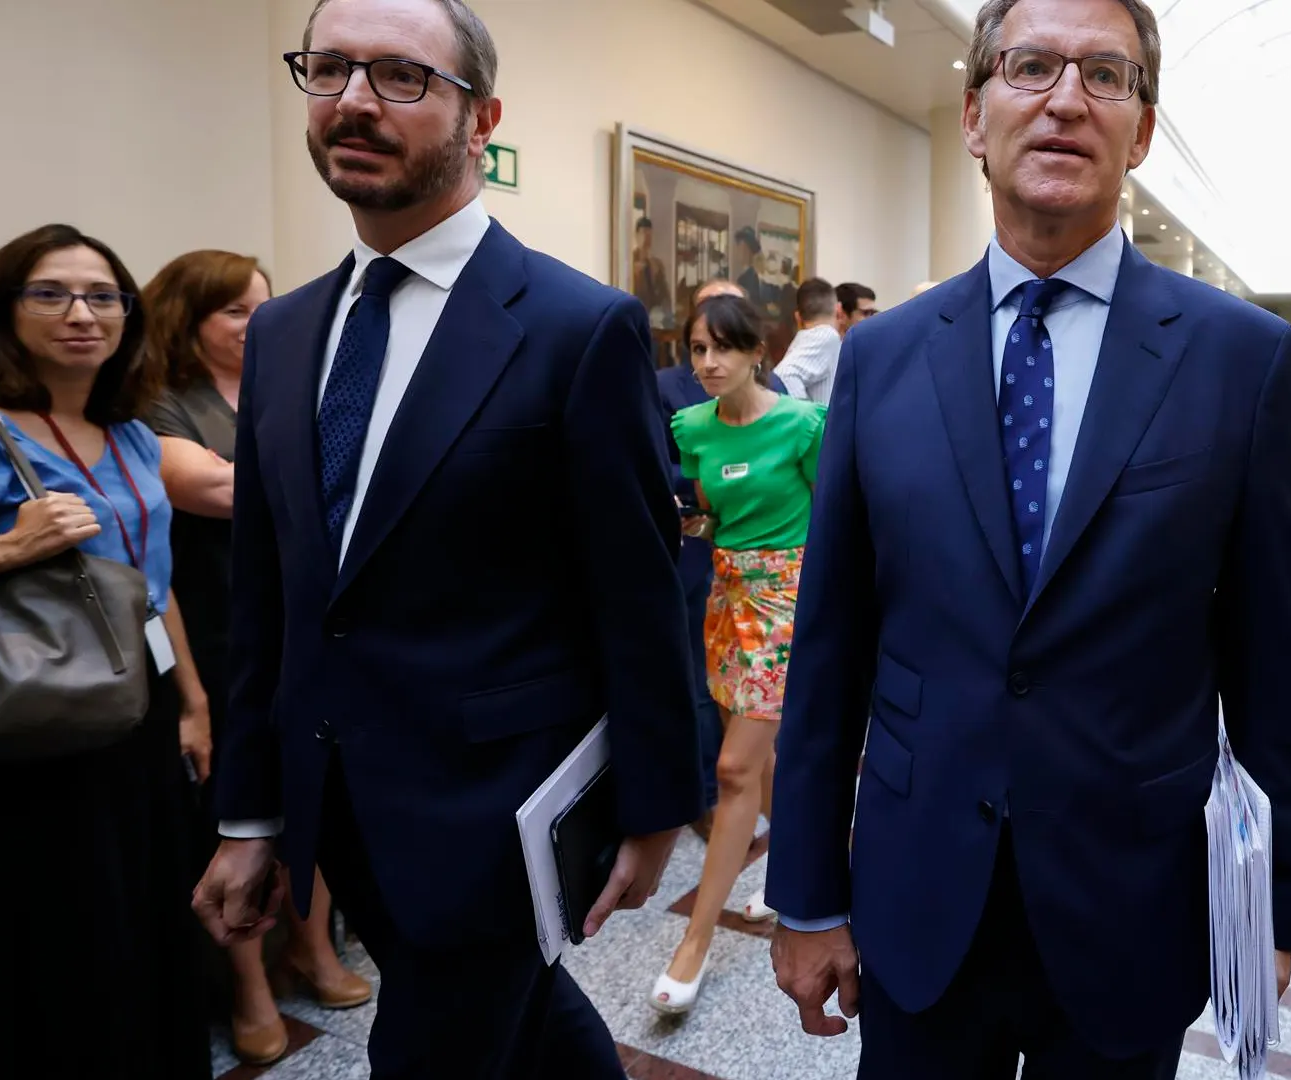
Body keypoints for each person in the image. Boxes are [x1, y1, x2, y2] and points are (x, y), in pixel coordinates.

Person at [767, 0, 1291, 1074]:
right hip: (919, 887)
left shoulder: (1238, 359)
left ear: (1143, 131)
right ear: (976, 116)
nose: (1067, 99)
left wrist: (1275, 907)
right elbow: (831, 646)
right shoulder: (882, 358)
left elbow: (1271, 661)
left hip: (1134, 896)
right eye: (1032, 68)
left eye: (1105, 76)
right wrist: (801, 890)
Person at [188, 2, 702, 1077]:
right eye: (328, 71)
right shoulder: (286, 332)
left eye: (402, 78)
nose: (356, 101)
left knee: (433, 1047)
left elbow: (636, 590)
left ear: (483, 119)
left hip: (497, 810)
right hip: (340, 803)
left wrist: (657, 807)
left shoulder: (576, 325)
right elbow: (271, 594)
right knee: (535, 1034)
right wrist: (251, 813)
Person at [0, 224, 212, 1078]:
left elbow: (152, 581)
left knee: (140, 916)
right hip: (18, 714)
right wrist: (7, 549)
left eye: (103, 296)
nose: (81, 314)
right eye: (50, 293)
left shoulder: (128, 433)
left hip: (137, 707)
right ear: (0, 309)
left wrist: (195, 704)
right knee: (44, 933)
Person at [140, 250, 372, 1065]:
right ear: (188, 320)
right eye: (235, 310)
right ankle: (249, 988)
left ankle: (314, 950)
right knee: (236, 811)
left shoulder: (290, 381)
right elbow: (204, 487)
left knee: (318, 784)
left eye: (261, 306)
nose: (256, 322)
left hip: (304, 622)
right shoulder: (161, 400)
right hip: (214, 629)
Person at [653, 294, 826, 1013]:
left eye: (723, 348)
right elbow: (709, 517)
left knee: (732, 771)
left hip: (787, 600)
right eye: (697, 349)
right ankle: (811, 874)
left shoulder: (803, 423)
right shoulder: (689, 426)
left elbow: (834, 519)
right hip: (726, 598)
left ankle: (694, 942)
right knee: (762, 759)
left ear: (760, 351)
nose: (709, 363)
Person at [654, 279, 788, 843]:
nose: (713, 357)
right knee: (700, 679)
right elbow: (665, 474)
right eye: (702, 341)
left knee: (757, 692)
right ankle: (708, 796)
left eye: (728, 337)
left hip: (766, 569)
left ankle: (766, 800)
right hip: (695, 559)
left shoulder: (779, 395)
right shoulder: (669, 393)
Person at [774, 276, 844, 405]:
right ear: (838, 310)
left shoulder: (804, 338)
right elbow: (785, 374)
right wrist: (808, 417)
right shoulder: (827, 336)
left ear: (798, 317)